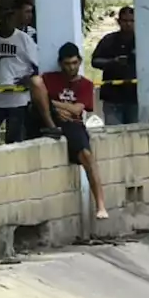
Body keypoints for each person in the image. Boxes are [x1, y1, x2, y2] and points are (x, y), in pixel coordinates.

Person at [41, 43, 108, 220]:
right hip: (53, 122)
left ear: (79, 61)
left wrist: (53, 103)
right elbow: (37, 96)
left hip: (74, 124)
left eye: (74, 63)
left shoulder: (85, 84)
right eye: (67, 64)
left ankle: (100, 205)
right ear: (60, 63)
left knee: (88, 156)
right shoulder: (48, 78)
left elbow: (77, 110)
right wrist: (56, 110)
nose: (71, 67)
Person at [0, 0, 61, 144]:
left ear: (14, 17)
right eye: (3, 16)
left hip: (17, 99)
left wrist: (28, 78)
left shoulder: (24, 39)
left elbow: (37, 66)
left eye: (9, 16)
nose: (6, 20)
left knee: (13, 139)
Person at [91, 6, 138, 125]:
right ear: (118, 21)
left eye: (131, 21)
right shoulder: (109, 40)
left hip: (135, 96)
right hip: (112, 97)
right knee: (114, 135)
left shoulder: (141, 40)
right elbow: (95, 61)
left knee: (136, 134)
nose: (128, 24)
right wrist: (113, 62)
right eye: (125, 21)